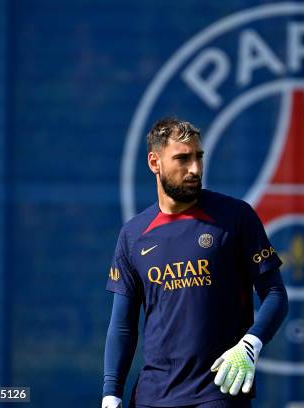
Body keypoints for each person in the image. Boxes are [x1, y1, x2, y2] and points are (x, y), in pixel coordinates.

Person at [101, 117, 289, 408]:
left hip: (218, 390)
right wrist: (111, 395)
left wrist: (250, 345)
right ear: (155, 162)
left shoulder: (236, 217)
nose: (195, 169)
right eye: (182, 158)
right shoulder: (133, 235)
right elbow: (123, 325)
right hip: (151, 397)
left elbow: (275, 294)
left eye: (199, 157)